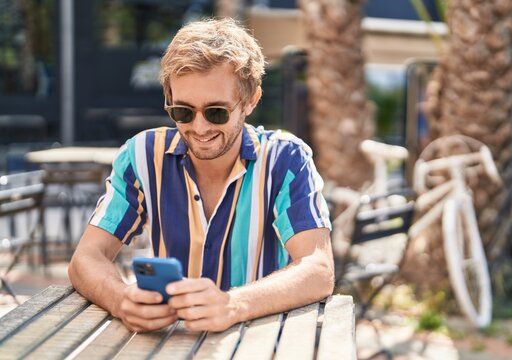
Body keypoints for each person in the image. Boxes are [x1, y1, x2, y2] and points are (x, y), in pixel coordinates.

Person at [68, 18, 334, 333]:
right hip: (169, 345)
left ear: (251, 100)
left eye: (216, 112)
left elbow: (318, 269)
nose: (199, 127)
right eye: (182, 111)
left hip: (257, 343)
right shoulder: (142, 155)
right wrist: (121, 298)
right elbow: (85, 258)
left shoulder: (286, 159)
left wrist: (234, 304)